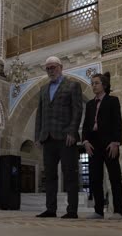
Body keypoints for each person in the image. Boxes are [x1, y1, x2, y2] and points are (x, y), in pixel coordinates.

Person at [35, 56, 83, 219]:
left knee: (70, 174)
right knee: (49, 175)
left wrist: (72, 131)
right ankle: (51, 209)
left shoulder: (72, 85)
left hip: (65, 137)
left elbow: (77, 111)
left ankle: (72, 210)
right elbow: (39, 115)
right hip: (47, 137)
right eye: (48, 68)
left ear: (61, 67)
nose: (50, 71)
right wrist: (38, 137)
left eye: (53, 67)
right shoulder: (43, 90)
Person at [82, 72, 122, 220]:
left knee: (114, 178)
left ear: (104, 85)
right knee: (94, 178)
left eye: (96, 83)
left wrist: (115, 142)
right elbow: (86, 125)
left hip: (109, 143)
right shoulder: (89, 104)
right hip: (93, 144)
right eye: (92, 83)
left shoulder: (113, 101)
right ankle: (98, 211)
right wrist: (85, 141)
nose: (93, 85)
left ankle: (118, 211)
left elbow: (117, 122)